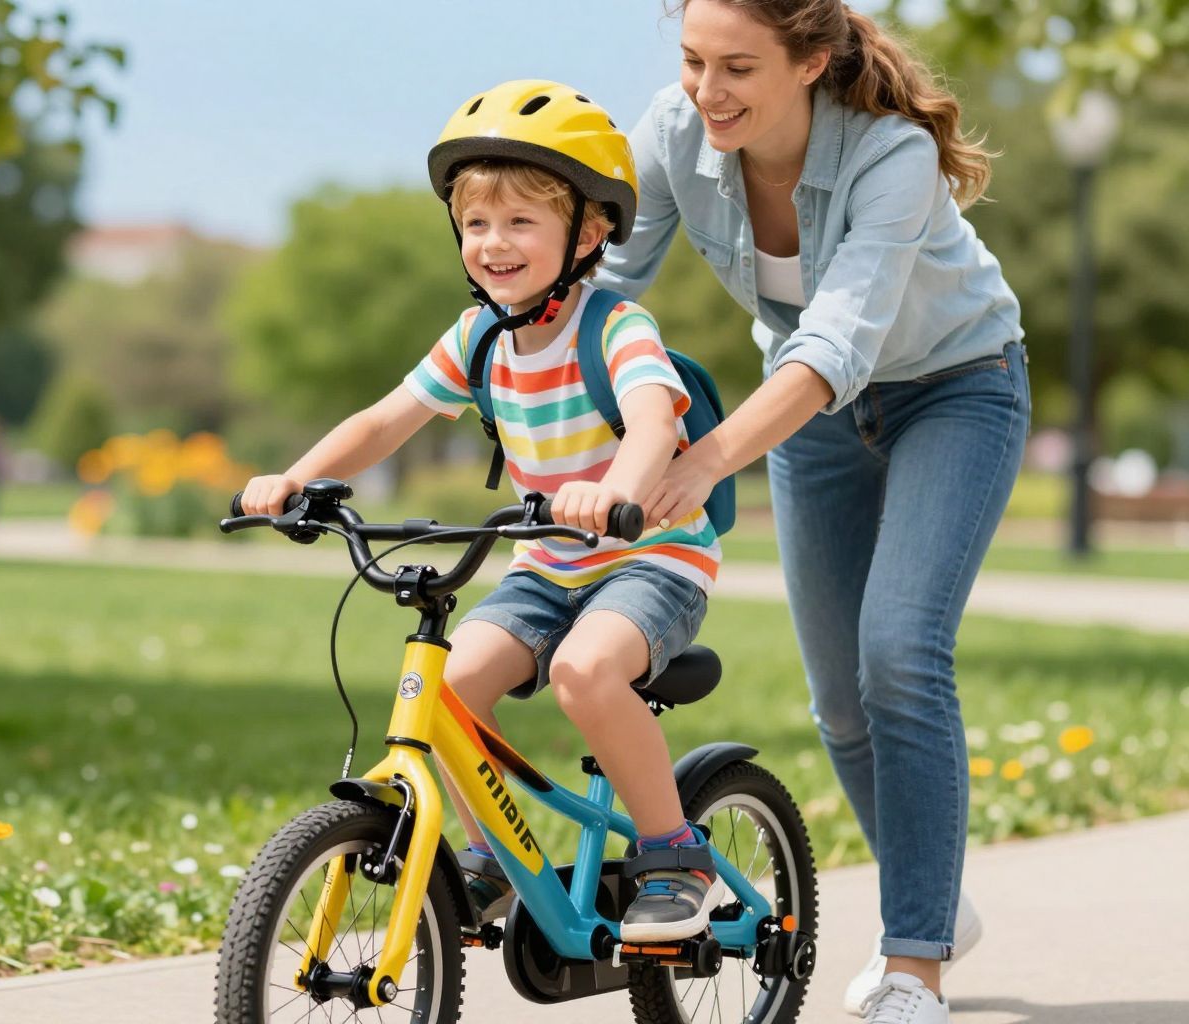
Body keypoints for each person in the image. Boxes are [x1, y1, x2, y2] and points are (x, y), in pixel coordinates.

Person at [596, 2, 1029, 1020]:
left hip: (955, 386)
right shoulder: (672, 134)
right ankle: (937, 898)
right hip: (813, 416)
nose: (708, 92)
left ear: (813, 60)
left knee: (900, 652)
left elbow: (838, 339)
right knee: (839, 698)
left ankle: (913, 965)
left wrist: (701, 461)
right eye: (696, 61)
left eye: (738, 67)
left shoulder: (891, 156)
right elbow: (606, 285)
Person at [241, 80, 726, 943]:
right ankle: (494, 854)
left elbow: (655, 419)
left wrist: (617, 489)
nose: (493, 244)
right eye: (476, 225)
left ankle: (673, 850)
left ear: (588, 232)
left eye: (520, 223)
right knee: (449, 686)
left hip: (650, 559)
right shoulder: (478, 339)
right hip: (546, 562)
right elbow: (387, 418)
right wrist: (293, 477)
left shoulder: (616, 327)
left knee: (584, 672)